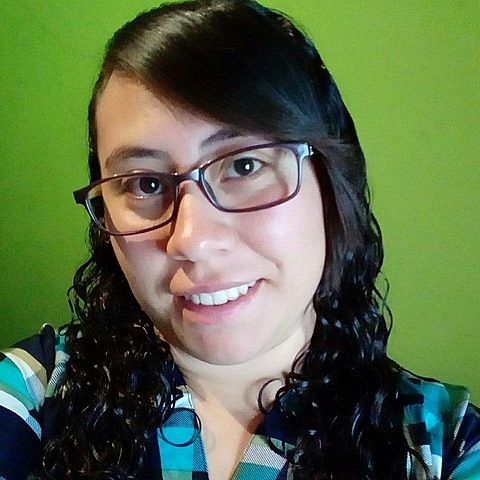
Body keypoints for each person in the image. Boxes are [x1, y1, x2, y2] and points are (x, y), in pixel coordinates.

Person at [0, 0, 479, 479]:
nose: (191, 239)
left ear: (331, 183)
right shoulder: (31, 392)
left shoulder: (444, 445)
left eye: (245, 165)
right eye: (145, 184)